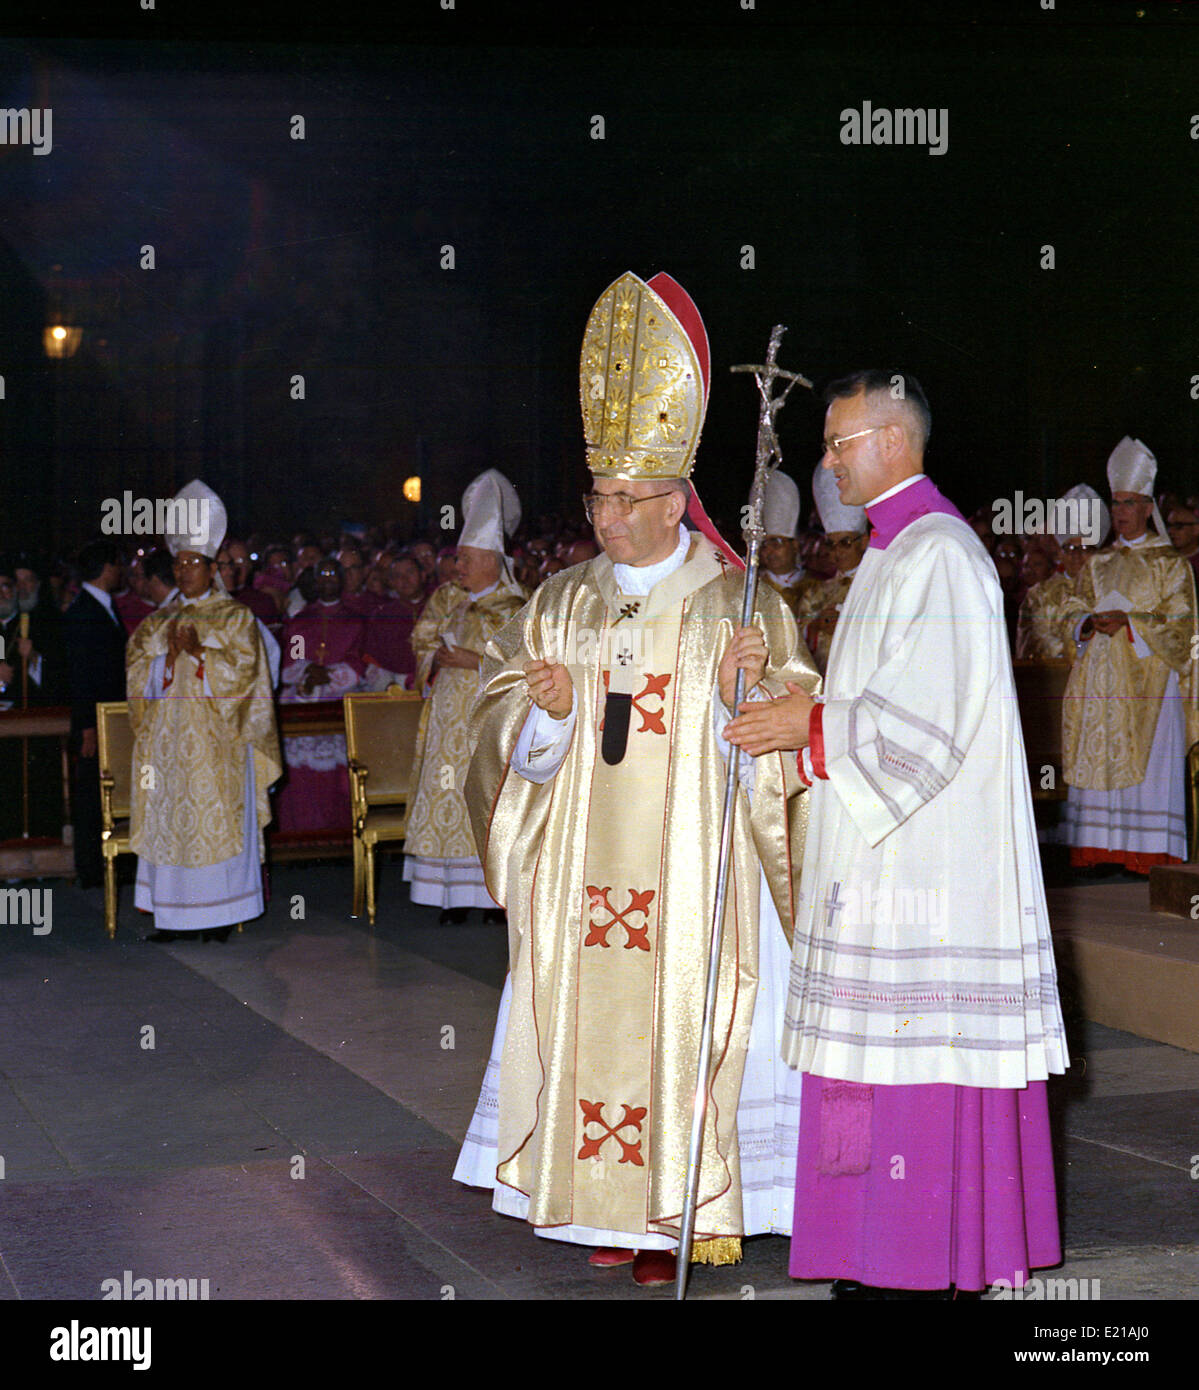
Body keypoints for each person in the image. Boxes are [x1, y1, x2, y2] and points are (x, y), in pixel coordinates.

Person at [453, 271, 819, 1286]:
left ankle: (685, 1212)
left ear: (673, 500)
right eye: (597, 496)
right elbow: (499, 731)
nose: (606, 516)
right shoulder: (560, 601)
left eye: (624, 499)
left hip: (693, 864)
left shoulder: (733, 602)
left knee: (691, 1022)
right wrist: (545, 718)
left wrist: (746, 690)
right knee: (591, 1022)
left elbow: (786, 728)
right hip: (580, 870)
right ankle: (597, 1211)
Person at [725, 369, 1068, 1298]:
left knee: (919, 1054)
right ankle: (867, 1252)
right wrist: (790, 706)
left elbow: (926, 727)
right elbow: (872, 703)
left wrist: (813, 726)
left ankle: (921, 1256)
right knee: (870, 1060)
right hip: (880, 856)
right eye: (827, 446)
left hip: (928, 867)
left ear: (894, 439)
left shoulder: (941, 553)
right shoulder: (888, 552)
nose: (826, 461)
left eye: (839, 443)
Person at [126, 480, 281, 942]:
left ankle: (220, 917)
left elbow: (248, 677)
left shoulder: (235, 619)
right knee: (171, 821)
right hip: (168, 747)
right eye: (178, 562)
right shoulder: (157, 622)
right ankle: (173, 918)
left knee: (215, 821)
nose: (184, 570)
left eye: (193, 563)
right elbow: (136, 678)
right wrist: (168, 662)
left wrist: (201, 658)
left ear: (213, 568)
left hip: (219, 750)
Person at [1060, 439, 1199, 873]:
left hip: (1151, 689)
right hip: (1101, 687)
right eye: (1115, 502)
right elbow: (1069, 607)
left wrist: (1132, 622)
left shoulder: (1169, 565)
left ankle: (1147, 854)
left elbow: (1183, 628)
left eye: (1129, 503)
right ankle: (1101, 852)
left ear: (1146, 507)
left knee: (1147, 772)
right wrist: (1085, 623)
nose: (1119, 511)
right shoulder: (1098, 564)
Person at [402, 470, 527, 923]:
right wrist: (434, 658)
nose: (460, 567)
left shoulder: (517, 608)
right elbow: (421, 642)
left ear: (494, 561)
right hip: (445, 721)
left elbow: (525, 665)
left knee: (486, 797)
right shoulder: (444, 599)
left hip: (488, 723)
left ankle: (493, 895)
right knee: (447, 798)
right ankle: (450, 897)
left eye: (469, 559)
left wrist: (475, 662)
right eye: (459, 559)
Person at [275, 558, 366, 835]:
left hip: (342, 696)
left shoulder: (355, 621)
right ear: (315, 582)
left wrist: (328, 675)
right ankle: (300, 830)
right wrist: (308, 670)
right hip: (307, 696)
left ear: (341, 580)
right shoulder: (302, 621)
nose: (327, 580)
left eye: (332, 575)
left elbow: (359, 659)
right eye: (322, 576)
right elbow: (294, 657)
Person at [60, 540, 128, 886]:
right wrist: (87, 725)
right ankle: (92, 868)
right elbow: (80, 673)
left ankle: (109, 864)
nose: (122, 571)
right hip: (97, 721)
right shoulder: (83, 610)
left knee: (109, 789)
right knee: (91, 793)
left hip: (110, 717)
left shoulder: (101, 606)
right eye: (118, 564)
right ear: (106, 567)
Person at [1015, 484, 1107, 663]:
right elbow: (1039, 642)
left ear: (1097, 553)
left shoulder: (1110, 587)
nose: (1076, 556)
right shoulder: (1040, 595)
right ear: (1059, 552)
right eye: (1069, 548)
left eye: (1084, 548)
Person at [794, 460, 869, 674]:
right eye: (831, 544)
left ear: (863, 542)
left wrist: (846, 628)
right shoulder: (815, 592)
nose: (836, 552)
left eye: (845, 543)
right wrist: (816, 626)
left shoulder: (876, 585)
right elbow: (796, 642)